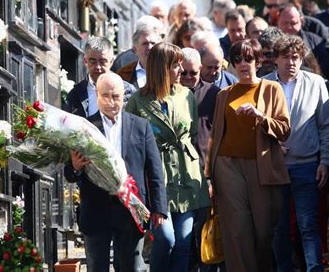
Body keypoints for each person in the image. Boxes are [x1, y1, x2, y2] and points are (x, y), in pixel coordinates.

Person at [64, 72, 168, 272]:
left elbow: (154, 169)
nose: (111, 102)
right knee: (97, 267)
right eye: (105, 96)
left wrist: (159, 208)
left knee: (132, 267)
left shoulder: (140, 126)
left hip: (131, 208)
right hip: (95, 209)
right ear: (97, 94)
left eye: (116, 97)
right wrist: (75, 167)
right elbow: (69, 173)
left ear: (124, 95)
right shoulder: (84, 128)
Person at [205, 38, 291, 272]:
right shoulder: (224, 94)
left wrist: (260, 116)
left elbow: (284, 130)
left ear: (259, 60)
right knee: (237, 232)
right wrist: (208, 175)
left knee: (262, 232)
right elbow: (215, 136)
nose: (243, 64)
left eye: (249, 58)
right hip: (227, 167)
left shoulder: (272, 89)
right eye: (237, 60)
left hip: (261, 167)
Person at [125, 43, 210, 272]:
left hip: (186, 174)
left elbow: (191, 134)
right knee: (165, 238)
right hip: (156, 176)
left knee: (184, 241)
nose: (181, 70)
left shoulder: (186, 96)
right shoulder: (138, 101)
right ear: (161, 68)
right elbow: (131, 143)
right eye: (175, 65)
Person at [266, 35, 329, 272]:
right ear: (275, 59)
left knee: (308, 225)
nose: (291, 62)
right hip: (275, 167)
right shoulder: (264, 85)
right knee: (279, 227)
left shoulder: (316, 83)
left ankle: (314, 268)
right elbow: (257, 128)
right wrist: (271, 147)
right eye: (285, 57)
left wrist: (325, 161)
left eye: (295, 57)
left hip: (307, 164)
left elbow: (326, 124)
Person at [180, 48, 224, 272]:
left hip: (205, 176)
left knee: (205, 236)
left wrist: (213, 178)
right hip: (179, 177)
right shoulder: (169, 93)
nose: (188, 78)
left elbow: (220, 137)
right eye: (183, 73)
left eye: (192, 73)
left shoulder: (214, 95)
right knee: (184, 238)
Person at [66, 37, 135, 117]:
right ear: (85, 61)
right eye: (93, 61)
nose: (98, 67)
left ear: (111, 61)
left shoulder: (128, 91)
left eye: (103, 62)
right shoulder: (75, 95)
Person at [278, 3, 329, 83]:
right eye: (285, 23)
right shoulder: (272, 43)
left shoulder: (315, 41)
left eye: (293, 23)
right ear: (278, 21)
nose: (289, 27)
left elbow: (327, 70)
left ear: (301, 21)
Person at [117, 25, 162, 89]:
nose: (150, 47)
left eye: (153, 43)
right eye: (145, 44)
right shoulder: (124, 74)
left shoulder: (168, 71)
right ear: (135, 49)